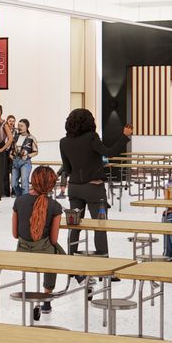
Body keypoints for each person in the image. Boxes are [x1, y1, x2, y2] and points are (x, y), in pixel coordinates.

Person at [58, 108, 131, 257]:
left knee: (75, 226)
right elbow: (109, 152)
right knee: (100, 225)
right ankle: (102, 265)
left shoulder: (63, 142)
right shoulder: (92, 137)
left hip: (74, 188)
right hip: (94, 188)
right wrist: (124, 136)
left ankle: (72, 264)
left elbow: (67, 168)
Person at [12, 166, 65, 319]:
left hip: (21, 253)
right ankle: (47, 298)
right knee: (53, 251)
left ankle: (77, 276)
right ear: (51, 185)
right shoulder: (55, 206)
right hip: (44, 256)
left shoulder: (19, 201)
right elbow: (54, 240)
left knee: (51, 249)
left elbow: (15, 234)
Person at [8, 118, 36, 196]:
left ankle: (24, 200)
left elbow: (36, 152)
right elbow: (12, 149)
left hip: (25, 162)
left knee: (24, 183)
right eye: (18, 125)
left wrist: (27, 155)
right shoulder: (15, 137)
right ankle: (23, 198)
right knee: (13, 184)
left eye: (21, 126)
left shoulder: (31, 138)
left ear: (27, 127)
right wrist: (11, 155)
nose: (19, 127)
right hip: (15, 162)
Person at [0, 112, 16, 198]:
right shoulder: (3, 128)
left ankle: (12, 191)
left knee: (11, 172)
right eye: (10, 121)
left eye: (13, 121)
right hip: (6, 153)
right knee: (4, 171)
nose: (11, 122)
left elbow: (12, 141)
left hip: (11, 153)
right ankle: (5, 191)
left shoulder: (16, 131)